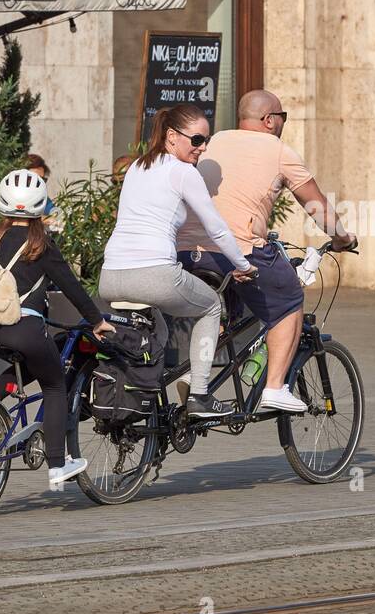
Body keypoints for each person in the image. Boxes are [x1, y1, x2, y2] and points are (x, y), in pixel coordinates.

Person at [176, 90, 355, 412]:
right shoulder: (277, 150)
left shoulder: (212, 142)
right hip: (237, 249)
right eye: (283, 117)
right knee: (288, 301)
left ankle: (196, 377)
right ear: (269, 120)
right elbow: (316, 206)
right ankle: (274, 388)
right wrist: (342, 238)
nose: (283, 124)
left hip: (186, 251)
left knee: (218, 311)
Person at [99, 104, 257, 418]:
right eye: (197, 140)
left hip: (110, 276)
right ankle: (199, 393)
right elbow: (215, 227)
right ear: (172, 137)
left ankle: (148, 399)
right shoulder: (183, 171)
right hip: (152, 275)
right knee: (210, 305)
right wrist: (243, 265)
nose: (203, 147)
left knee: (156, 321)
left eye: (206, 141)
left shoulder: (137, 167)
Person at [0, 168, 114, 487]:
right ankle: (57, 464)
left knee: (25, 367)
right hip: (25, 328)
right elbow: (71, 287)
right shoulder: (41, 245)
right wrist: (97, 321)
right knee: (55, 385)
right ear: (41, 203)